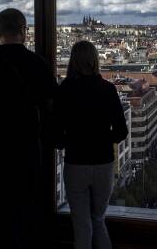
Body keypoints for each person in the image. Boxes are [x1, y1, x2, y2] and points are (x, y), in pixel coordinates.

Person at [0, 8, 57, 248]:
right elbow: (51, 108)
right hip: (26, 149)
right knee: (26, 216)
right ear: (24, 31)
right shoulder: (38, 65)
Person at [53, 40, 128, 249]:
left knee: (82, 224)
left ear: (72, 61)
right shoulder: (107, 89)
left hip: (76, 162)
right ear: (95, 60)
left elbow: (56, 134)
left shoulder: (65, 89)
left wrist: (72, 140)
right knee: (98, 219)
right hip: (103, 162)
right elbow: (122, 131)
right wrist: (103, 138)